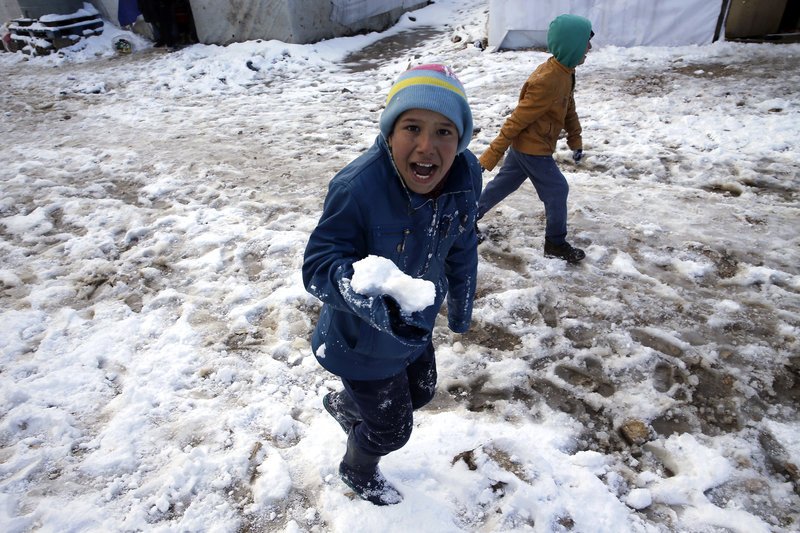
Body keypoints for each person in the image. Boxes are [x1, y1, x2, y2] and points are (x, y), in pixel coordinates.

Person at [302, 64, 481, 505]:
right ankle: (357, 469)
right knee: (392, 429)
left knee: (420, 391)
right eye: (412, 127)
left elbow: (462, 244)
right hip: (359, 341)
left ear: (460, 140)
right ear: (389, 133)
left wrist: (459, 308)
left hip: (413, 331)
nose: (427, 146)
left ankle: (346, 408)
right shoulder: (357, 188)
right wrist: (372, 301)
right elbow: (318, 265)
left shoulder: (464, 179)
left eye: (444, 131)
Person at [477, 14, 594, 264]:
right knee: (557, 189)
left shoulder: (564, 72)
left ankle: (464, 221)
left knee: (502, 186)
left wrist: (576, 138)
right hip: (533, 148)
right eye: (587, 42)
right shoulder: (547, 80)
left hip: (528, 146)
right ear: (572, 45)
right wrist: (490, 155)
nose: (590, 48)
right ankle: (555, 243)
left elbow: (568, 107)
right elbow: (517, 119)